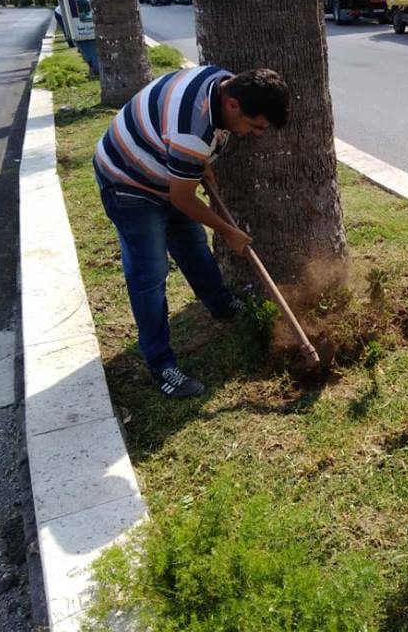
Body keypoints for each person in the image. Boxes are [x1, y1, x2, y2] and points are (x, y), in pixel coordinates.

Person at [93, 66, 290, 398]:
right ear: (233, 106)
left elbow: (186, 157)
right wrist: (228, 230)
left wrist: (199, 163)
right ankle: (161, 366)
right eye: (254, 126)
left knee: (193, 245)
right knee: (150, 273)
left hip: (164, 168)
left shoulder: (224, 83)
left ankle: (222, 306)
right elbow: (182, 197)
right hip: (127, 182)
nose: (256, 134)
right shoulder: (191, 132)